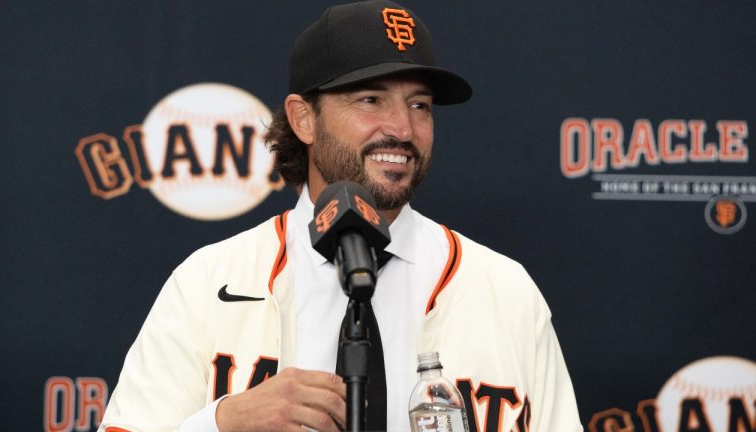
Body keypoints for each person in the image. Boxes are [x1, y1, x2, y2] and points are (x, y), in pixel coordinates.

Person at [99, 1, 583, 431]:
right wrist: (223, 422)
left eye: (420, 105)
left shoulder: (504, 289)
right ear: (303, 118)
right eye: (370, 100)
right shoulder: (211, 280)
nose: (402, 128)